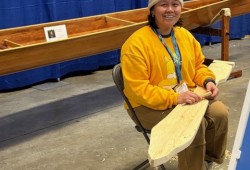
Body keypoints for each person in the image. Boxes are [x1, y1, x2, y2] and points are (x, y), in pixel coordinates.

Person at [120, 0, 229, 169]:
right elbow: (138, 90)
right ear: (152, 10)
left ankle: (207, 160)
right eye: (163, 4)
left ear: (181, 8)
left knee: (220, 112)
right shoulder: (135, 44)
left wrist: (208, 81)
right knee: (193, 125)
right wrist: (175, 98)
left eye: (175, 4)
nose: (170, 9)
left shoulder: (184, 35)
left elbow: (198, 66)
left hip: (184, 97)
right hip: (145, 105)